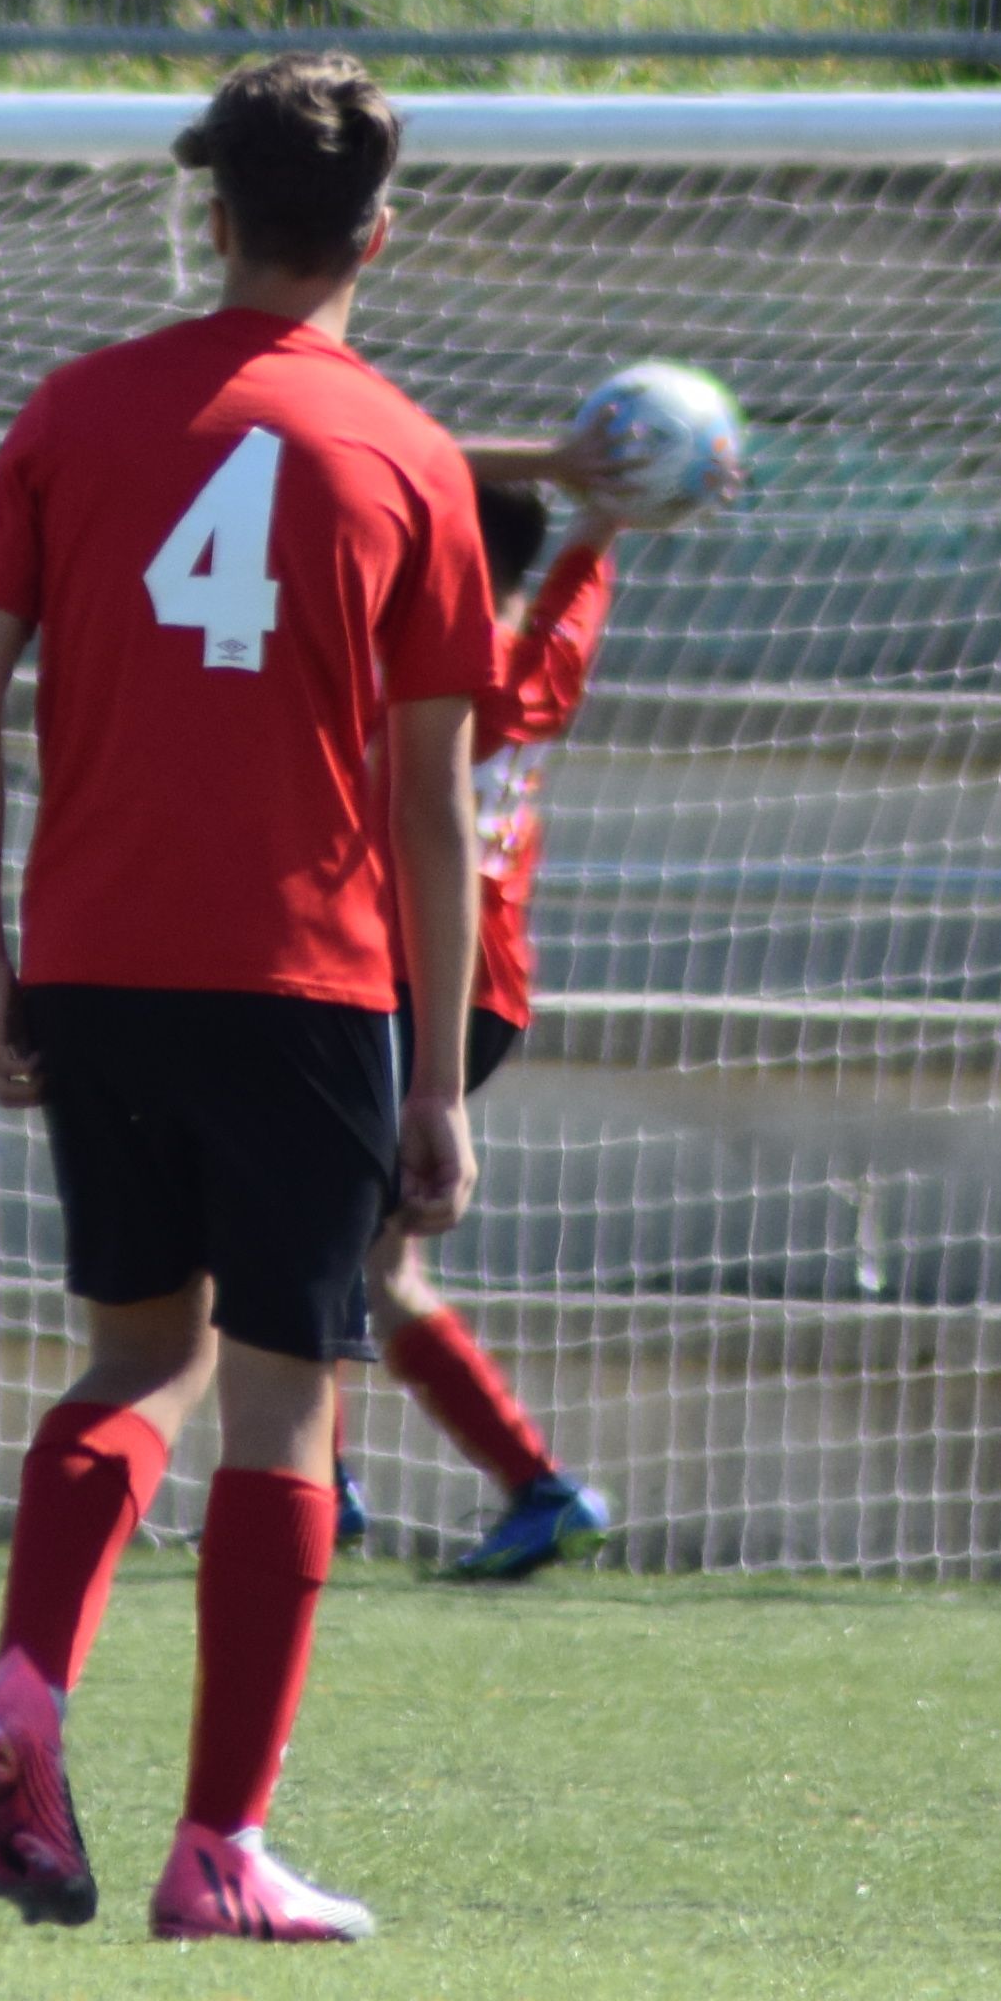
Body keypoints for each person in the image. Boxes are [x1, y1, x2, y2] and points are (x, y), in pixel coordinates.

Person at [0, 55, 498, 1945]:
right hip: (303, 981)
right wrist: (436, 1070)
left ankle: (25, 1680)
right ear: (380, 237)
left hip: (96, 959)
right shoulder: (408, 452)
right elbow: (430, 796)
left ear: (215, 215)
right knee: (281, 1413)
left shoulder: (75, 412)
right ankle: (219, 1850)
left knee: (127, 1361)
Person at [367, 450, 633, 1585]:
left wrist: (548, 472)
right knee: (341, 1258)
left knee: (359, 1270)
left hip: (401, 980)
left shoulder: (421, 678)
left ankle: (537, 1484)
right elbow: (582, 564)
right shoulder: (551, 657)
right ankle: (329, 1494)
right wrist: (605, 506)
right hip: (488, 991)